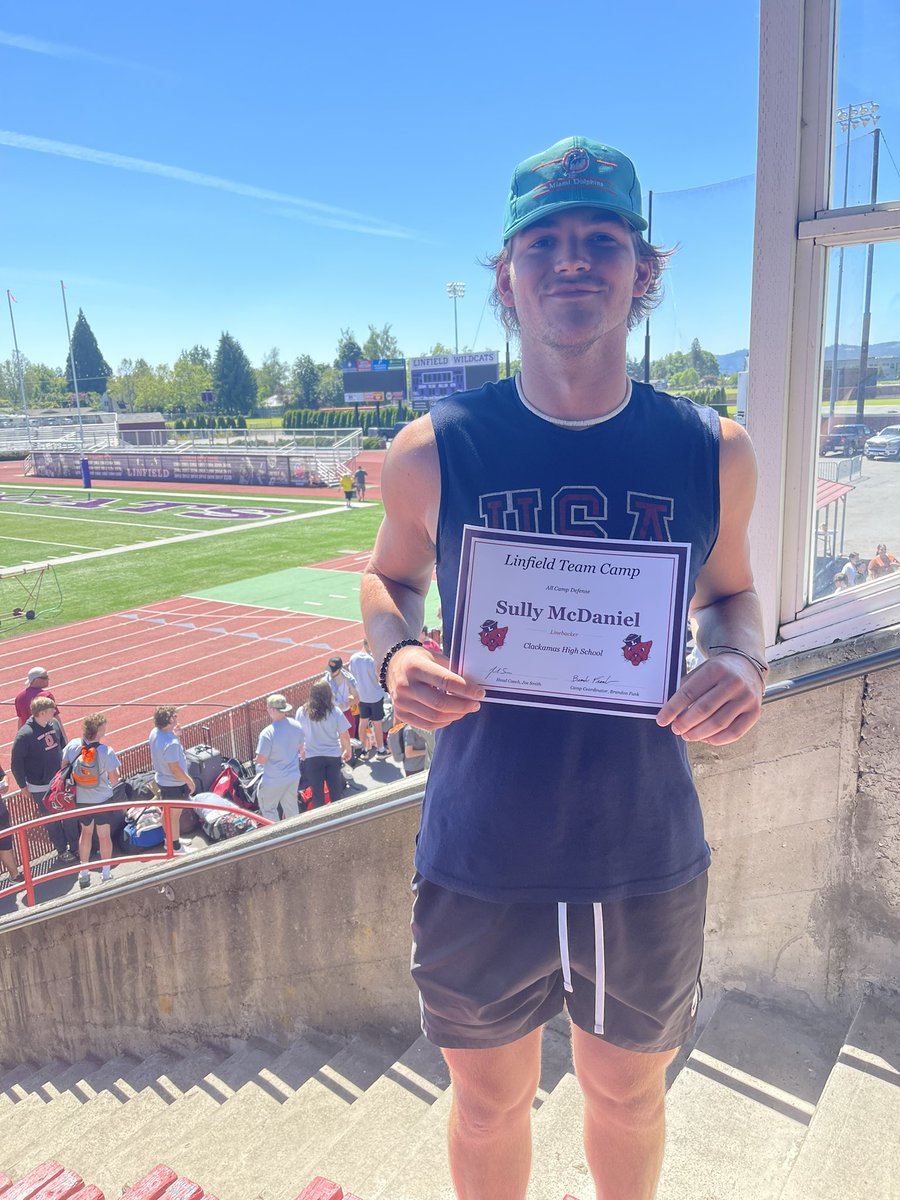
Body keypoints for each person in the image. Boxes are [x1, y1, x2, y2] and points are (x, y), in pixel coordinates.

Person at [361, 135, 766, 1200]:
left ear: (644, 271)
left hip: (642, 845)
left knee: (629, 1097)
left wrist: (747, 663)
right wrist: (396, 652)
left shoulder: (710, 448)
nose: (572, 261)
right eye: (544, 243)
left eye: (601, 240)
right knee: (488, 1102)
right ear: (507, 277)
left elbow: (734, 598)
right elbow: (386, 582)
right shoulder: (432, 447)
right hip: (481, 846)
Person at [11, 696, 76, 862]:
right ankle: (62, 850)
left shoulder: (53, 724)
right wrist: (22, 787)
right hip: (40, 787)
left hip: (59, 781)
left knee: (69, 815)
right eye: (51, 710)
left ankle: (75, 847)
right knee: (52, 819)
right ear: (41, 713)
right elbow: (16, 763)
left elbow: (62, 746)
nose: (55, 712)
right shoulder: (25, 735)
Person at [62, 713, 120, 888]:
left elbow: (63, 769)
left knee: (85, 833)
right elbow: (115, 778)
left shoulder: (73, 746)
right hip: (102, 799)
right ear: (99, 731)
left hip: (81, 799)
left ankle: (84, 872)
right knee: (104, 836)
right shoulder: (106, 751)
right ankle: (106, 873)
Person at [298, 681, 352, 808]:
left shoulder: (302, 712)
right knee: (335, 792)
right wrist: (347, 749)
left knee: (317, 794)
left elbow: (299, 734)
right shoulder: (335, 712)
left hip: (312, 757)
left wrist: (302, 751)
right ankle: (337, 818)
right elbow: (344, 735)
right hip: (332, 756)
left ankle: (321, 823)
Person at [148, 706, 195, 852]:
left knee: (167, 813)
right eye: (175, 716)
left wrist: (175, 735)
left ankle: (170, 840)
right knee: (174, 817)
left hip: (162, 781)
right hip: (174, 785)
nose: (177, 717)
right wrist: (189, 781)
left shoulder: (155, 733)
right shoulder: (172, 743)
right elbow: (175, 769)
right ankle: (175, 847)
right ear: (169, 720)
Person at [255, 694, 305, 822]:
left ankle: (277, 840)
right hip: (293, 776)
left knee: (269, 810)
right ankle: (298, 836)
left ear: (272, 710)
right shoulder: (296, 725)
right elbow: (302, 749)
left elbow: (261, 760)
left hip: (273, 780)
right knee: (292, 810)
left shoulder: (267, 733)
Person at [348, 640, 389, 757]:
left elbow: (352, 676)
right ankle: (381, 750)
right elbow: (378, 678)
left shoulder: (353, 658)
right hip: (375, 696)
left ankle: (364, 749)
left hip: (362, 696)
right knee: (377, 723)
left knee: (363, 721)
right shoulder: (372, 660)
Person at [14, 666, 65, 735]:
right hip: (46, 735)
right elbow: (55, 718)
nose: (48, 679)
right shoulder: (46, 696)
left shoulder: (19, 697)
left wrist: (19, 736)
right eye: (44, 677)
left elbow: (20, 720)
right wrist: (63, 737)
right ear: (36, 680)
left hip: (28, 735)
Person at [323, 657, 359, 733]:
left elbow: (357, 698)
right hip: (331, 715)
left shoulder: (349, 679)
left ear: (340, 668)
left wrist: (346, 704)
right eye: (330, 669)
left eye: (334, 670)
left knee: (350, 738)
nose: (331, 673)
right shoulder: (325, 680)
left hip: (345, 713)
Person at [0, 762, 22, 883]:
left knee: (6, 845)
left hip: (1, 813)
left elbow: (3, 775)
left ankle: (15, 876)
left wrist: (5, 783)